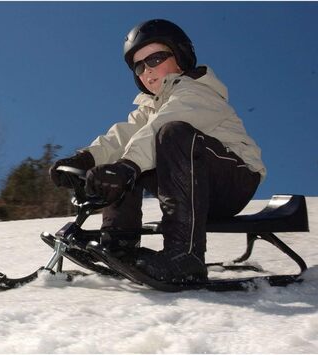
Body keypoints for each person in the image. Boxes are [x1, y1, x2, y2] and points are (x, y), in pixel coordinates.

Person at [49, 19, 266, 283]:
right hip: (191, 189)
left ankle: (184, 258)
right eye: (139, 66)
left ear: (181, 55)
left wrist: (128, 165)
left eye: (155, 59)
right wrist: (86, 159)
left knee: (170, 134)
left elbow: (157, 131)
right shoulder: (150, 108)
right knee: (123, 159)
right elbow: (122, 136)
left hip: (232, 182)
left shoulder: (198, 91)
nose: (147, 71)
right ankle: (119, 246)